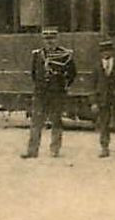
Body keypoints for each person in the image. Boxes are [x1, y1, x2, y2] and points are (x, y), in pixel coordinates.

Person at [22, 26, 76, 158]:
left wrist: (63, 86)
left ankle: (55, 150)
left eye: (52, 39)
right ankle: (32, 150)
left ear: (57, 39)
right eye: (46, 39)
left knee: (56, 121)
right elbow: (34, 74)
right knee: (36, 122)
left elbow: (72, 73)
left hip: (56, 93)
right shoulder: (37, 55)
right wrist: (40, 87)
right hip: (41, 93)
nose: (49, 42)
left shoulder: (65, 55)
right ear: (43, 40)